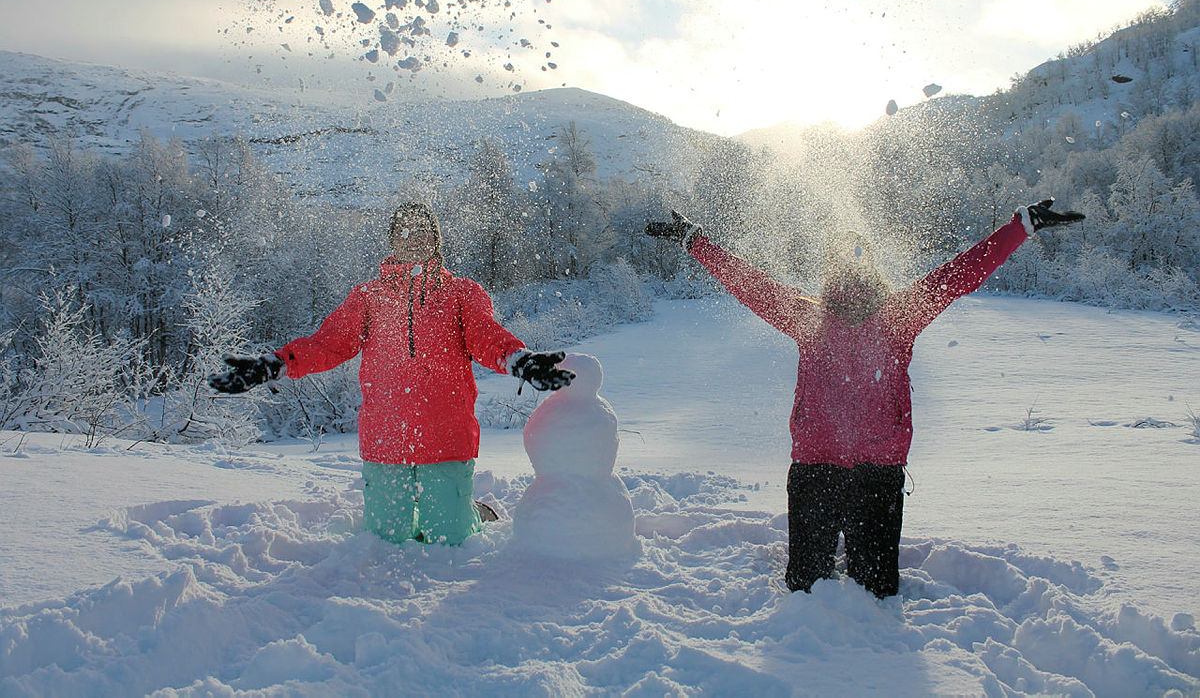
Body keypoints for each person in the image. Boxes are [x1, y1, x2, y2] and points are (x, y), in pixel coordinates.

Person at [646, 199, 1083, 598]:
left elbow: (959, 274)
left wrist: (1021, 227)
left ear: (867, 269)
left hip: (866, 469)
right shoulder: (816, 316)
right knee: (812, 589)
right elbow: (752, 286)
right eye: (843, 262)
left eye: (856, 261)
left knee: (859, 591)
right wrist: (695, 242)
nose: (850, 272)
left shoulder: (892, 316)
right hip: (826, 466)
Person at [209, 202, 574, 545]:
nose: (413, 239)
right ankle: (438, 512)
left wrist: (518, 359)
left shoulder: (462, 293)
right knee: (386, 538)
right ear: (392, 240)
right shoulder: (368, 296)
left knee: (448, 537)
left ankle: (473, 513)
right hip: (386, 436)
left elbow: (485, 337)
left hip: (446, 433)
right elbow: (329, 343)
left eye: (422, 232)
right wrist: (277, 363)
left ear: (436, 240)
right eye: (404, 231)